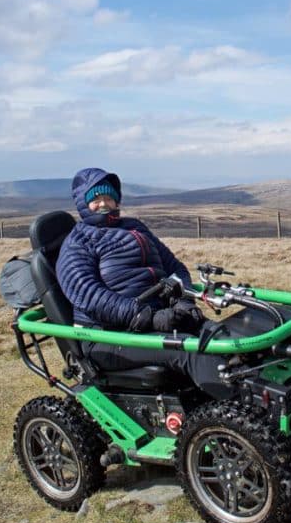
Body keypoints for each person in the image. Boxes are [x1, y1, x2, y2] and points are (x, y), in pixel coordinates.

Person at [56, 168, 231, 399]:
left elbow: (174, 267)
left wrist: (184, 301)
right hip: (106, 335)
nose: (103, 204)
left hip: (158, 318)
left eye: (108, 197)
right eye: (95, 199)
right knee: (190, 350)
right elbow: (86, 293)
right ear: (82, 203)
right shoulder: (78, 242)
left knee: (220, 337)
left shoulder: (134, 227)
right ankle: (235, 419)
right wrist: (145, 317)